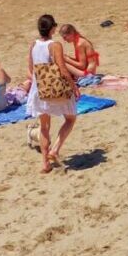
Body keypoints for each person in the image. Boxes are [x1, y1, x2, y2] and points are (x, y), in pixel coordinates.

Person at [26, 14, 78, 173]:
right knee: (70, 119)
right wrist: (73, 86)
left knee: (44, 127)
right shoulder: (55, 45)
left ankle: (45, 164)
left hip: (39, 89)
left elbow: (30, 69)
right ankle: (54, 150)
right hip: (55, 88)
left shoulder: (33, 44)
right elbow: (62, 69)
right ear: (53, 28)